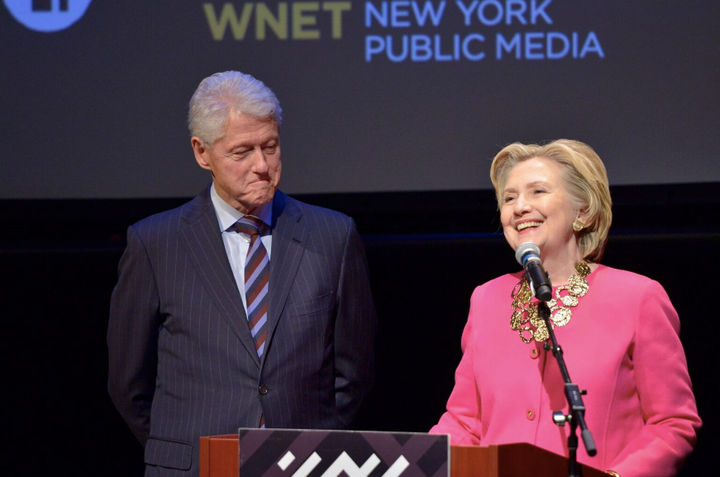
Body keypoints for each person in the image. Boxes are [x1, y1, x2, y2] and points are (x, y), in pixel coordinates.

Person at [107, 71, 377, 476]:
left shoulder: (333, 237)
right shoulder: (155, 244)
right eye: (241, 152)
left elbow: (353, 372)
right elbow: (129, 385)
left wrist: (313, 445)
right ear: (202, 153)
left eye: (270, 147)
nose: (263, 166)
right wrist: (188, 453)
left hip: (304, 465)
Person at [430, 140, 701, 477]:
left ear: (582, 211)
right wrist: (422, 462)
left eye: (537, 191)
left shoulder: (638, 297)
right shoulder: (486, 299)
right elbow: (463, 420)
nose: (519, 207)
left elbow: (673, 422)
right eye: (509, 198)